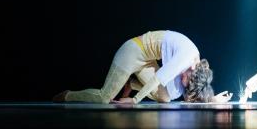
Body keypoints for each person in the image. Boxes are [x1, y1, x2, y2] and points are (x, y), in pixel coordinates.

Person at [53, 30, 232, 104]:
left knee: (166, 97)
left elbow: (187, 95)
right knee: (104, 97)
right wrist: (135, 100)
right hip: (132, 52)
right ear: (192, 71)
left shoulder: (195, 64)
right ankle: (67, 95)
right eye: (186, 80)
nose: (182, 83)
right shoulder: (186, 58)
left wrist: (212, 100)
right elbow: (158, 78)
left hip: (147, 63)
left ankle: (132, 84)